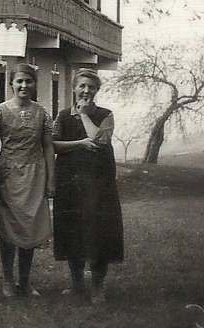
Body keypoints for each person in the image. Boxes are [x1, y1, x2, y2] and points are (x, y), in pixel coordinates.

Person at [52, 68, 124, 305]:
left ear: (97, 90)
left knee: (98, 233)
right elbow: (53, 144)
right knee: (73, 231)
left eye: (91, 87)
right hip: (71, 183)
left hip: (98, 184)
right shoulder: (62, 116)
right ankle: (76, 284)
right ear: (74, 88)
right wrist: (79, 144)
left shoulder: (106, 114)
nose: (86, 91)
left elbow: (100, 141)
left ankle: (97, 287)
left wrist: (83, 116)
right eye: (82, 86)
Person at [0, 63, 55, 299]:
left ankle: (25, 282)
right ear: (11, 84)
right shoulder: (0, 111)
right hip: (8, 175)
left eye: (28, 81)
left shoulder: (42, 112)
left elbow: (48, 146)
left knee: (29, 230)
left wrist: (50, 179)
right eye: (19, 81)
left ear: (34, 84)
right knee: (8, 229)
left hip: (34, 175)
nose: (24, 85)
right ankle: (8, 280)